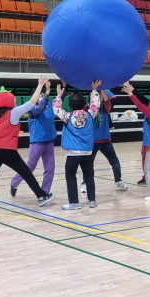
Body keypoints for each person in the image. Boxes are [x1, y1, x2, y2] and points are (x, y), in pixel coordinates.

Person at [0, 77, 54, 211]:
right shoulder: (14, 112)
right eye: (13, 99)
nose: (15, 101)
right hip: (6, 150)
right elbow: (31, 103)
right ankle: (42, 196)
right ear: (8, 101)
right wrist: (40, 85)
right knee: (26, 173)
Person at [54, 80, 101, 210]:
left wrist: (59, 96)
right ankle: (92, 201)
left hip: (73, 153)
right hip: (88, 152)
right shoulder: (90, 115)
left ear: (70, 105)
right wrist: (94, 90)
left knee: (70, 176)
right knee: (89, 176)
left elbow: (56, 108)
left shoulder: (67, 117)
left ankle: (74, 202)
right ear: (84, 104)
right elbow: (96, 104)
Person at [10, 80, 57, 198]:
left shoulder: (49, 104)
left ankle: (44, 192)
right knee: (31, 166)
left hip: (49, 141)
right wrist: (47, 93)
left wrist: (64, 88)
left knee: (50, 168)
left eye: (42, 94)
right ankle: (14, 182)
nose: (41, 96)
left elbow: (59, 100)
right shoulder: (32, 109)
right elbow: (39, 109)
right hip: (37, 142)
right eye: (39, 95)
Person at [81, 89, 128, 194]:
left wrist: (102, 89)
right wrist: (94, 91)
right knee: (88, 164)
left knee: (114, 161)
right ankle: (85, 183)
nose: (99, 97)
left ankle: (118, 181)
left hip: (106, 141)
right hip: (91, 142)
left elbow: (107, 99)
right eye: (96, 95)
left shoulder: (106, 108)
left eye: (101, 96)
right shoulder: (87, 108)